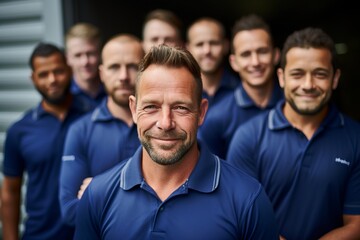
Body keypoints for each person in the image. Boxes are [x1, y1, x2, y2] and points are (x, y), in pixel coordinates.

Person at [73, 45, 280, 239]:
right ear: (134, 109)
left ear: (202, 112)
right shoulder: (97, 197)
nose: (165, 123)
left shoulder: (248, 199)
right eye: (151, 106)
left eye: (181, 107)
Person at [227, 27, 360, 239]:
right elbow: (239, 216)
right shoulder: (248, 137)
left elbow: (356, 224)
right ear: (281, 77)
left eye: (320, 74)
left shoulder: (356, 139)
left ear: (335, 78)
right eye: (297, 74)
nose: (308, 85)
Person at [1, 42, 88, 240]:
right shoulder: (20, 131)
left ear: (68, 69)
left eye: (58, 71)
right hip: (39, 235)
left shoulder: (94, 116)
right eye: (43, 74)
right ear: (33, 78)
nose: (52, 80)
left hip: (88, 233)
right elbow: (10, 192)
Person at [59, 34, 143, 226]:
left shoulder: (162, 126)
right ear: (102, 73)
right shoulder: (80, 130)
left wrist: (99, 190)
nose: (123, 76)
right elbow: (71, 211)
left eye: (132, 66)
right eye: (114, 67)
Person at [198, 14, 283, 159]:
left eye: (262, 51)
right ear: (234, 62)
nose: (255, 62)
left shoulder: (293, 106)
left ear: (275, 55)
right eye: (246, 54)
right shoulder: (215, 118)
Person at [186, 17, 239, 108]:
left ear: (226, 46)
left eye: (214, 43)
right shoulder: (181, 91)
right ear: (188, 49)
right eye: (200, 44)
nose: (207, 51)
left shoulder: (243, 89)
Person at [65, 22, 106, 111]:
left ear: (100, 54)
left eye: (90, 54)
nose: (85, 62)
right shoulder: (63, 96)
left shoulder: (113, 90)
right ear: (68, 58)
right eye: (78, 55)